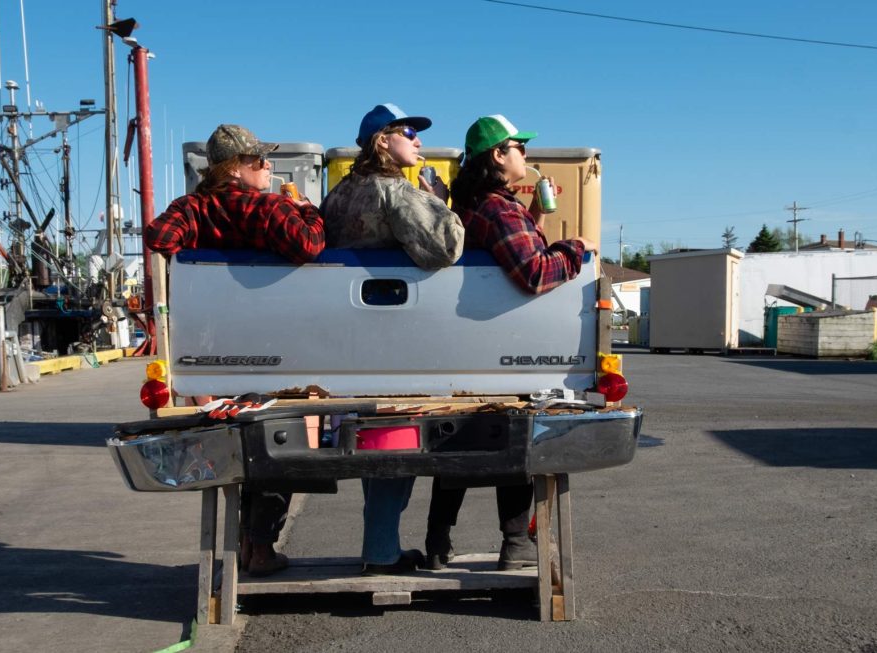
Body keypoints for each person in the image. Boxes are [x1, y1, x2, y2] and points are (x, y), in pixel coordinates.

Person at [145, 123, 325, 577]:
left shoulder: (194, 207)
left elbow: (159, 237)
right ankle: (259, 550)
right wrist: (307, 211)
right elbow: (310, 246)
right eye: (259, 160)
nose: (268, 167)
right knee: (278, 444)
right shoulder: (266, 208)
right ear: (237, 167)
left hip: (210, 350)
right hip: (271, 345)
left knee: (236, 448)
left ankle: (244, 544)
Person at [424, 114, 597, 571]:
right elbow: (533, 273)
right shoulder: (497, 209)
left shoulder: (473, 204)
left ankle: (437, 543)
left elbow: (506, 256)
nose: (526, 153)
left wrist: (536, 219)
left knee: (456, 446)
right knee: (515, 441)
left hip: (465, 347)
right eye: (519, 145)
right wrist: (574, 250)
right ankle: (515, 544)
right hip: (502, 347)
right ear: (498, 155)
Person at [321, 103, 465, 575]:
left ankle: (380, 544)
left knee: (374, 437)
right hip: (396, 331)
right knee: (395, 438)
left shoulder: (340, 194)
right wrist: (440, 201)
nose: (418, 142)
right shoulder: (395, 190)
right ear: (383, 140)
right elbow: (443, 248)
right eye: (409, 133)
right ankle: (381, 552)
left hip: (348, 333)